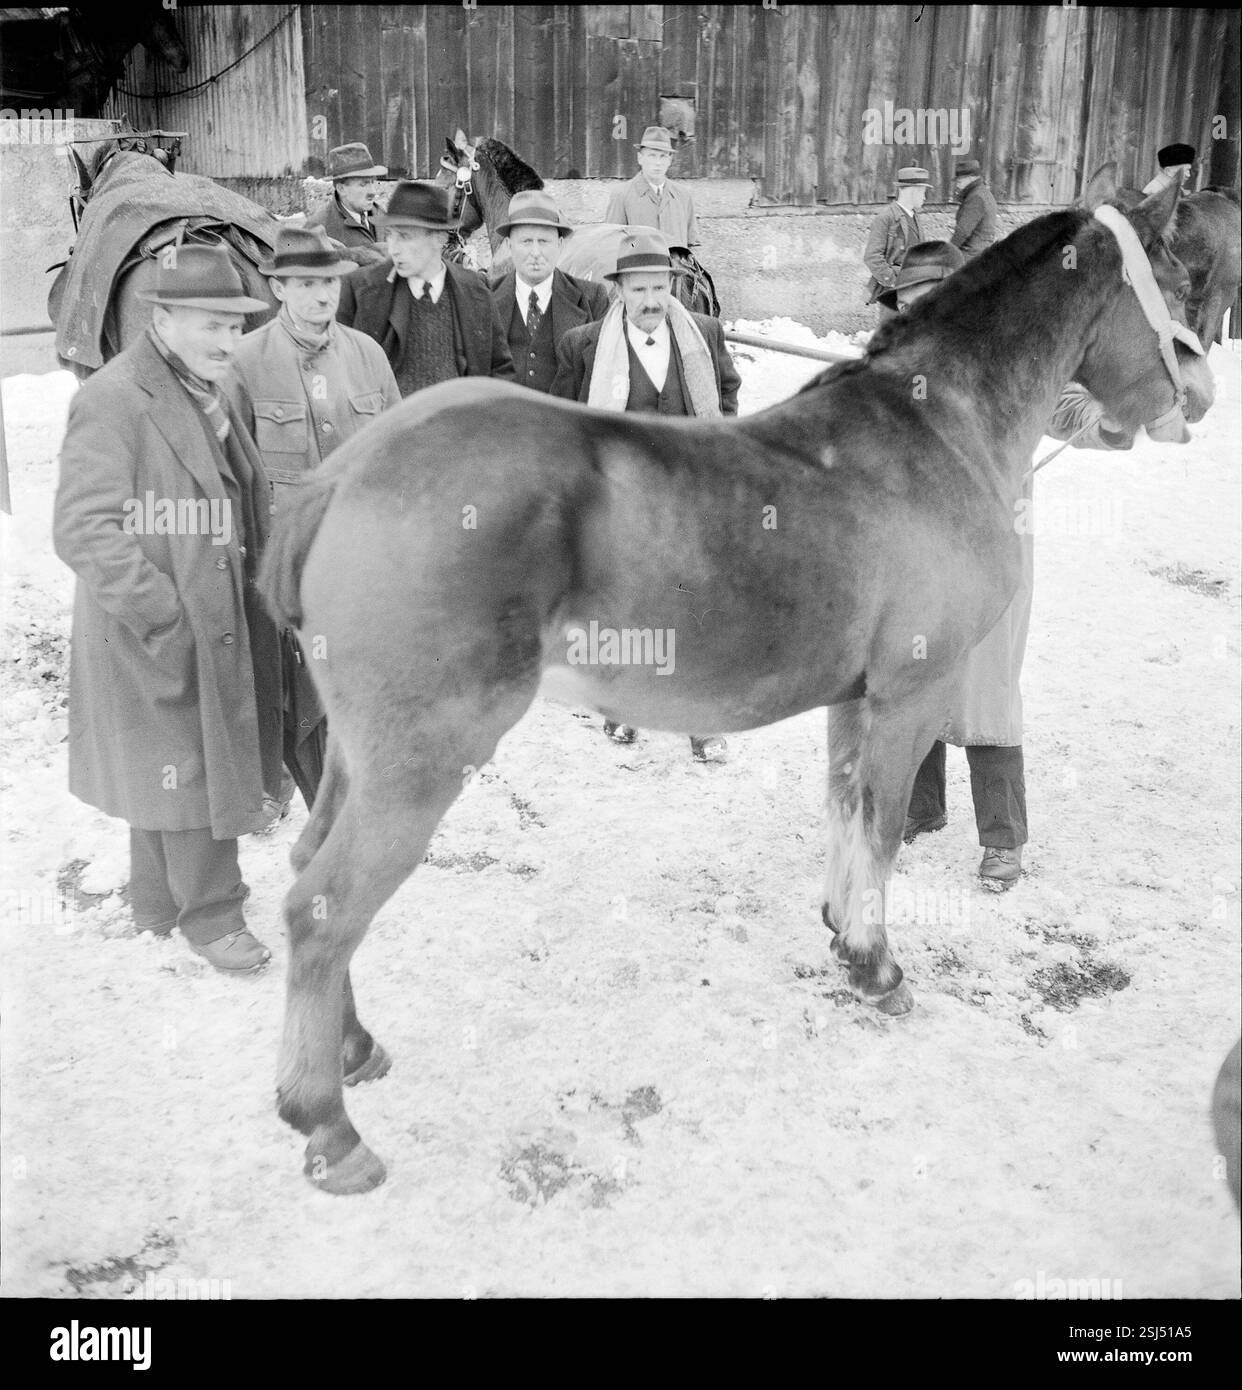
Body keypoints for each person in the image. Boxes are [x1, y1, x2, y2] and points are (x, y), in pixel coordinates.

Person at [52, 245, 283, 974]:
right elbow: (84, 528)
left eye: (235, 326)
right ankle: (214, 915)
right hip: (147, 628)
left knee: (170, 759)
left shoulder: (212, 388)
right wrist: (164, 614)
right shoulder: (114, 398)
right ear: (163, 317)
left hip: (207, 614)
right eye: (211, 324)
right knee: (190, 759)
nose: (227, 341)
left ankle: (155, 897)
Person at [227, 225, 400, 807]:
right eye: (305, 284)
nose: (322, 296)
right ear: (278, 288)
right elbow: (232, 478)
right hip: (288, 574)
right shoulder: (245, 364)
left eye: (328, 282)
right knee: (299, 705)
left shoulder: (367, 355)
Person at [552, 231, 740, 762]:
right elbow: (565, 423)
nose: (652, 301)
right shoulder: (582, 345)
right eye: (639, 291)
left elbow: (725, 399)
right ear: (619, 292)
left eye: (660, 287)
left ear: (672, 287)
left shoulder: (704, 335)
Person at [336, 180, 515, 394]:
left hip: (459, 423)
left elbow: (500, 370)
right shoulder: (361, 290)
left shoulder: (475, 289)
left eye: (405, 237)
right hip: (391, 424)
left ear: (438, 238)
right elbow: (340, 373)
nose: (393, 249)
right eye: (390, 234)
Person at [489, 189, 610, 392]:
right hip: (502, 420)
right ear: (509, 245)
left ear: (560, 245)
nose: (535, 253)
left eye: (544, 242)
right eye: (526, 241)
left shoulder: (592, 299)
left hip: (566, 422)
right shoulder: (485, 298)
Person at [602, 125, 701, 254]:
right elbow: (611, 245)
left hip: (677, 273)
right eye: (652, 155)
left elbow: (692, 244)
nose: (658, 163)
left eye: (663, 156)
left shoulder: (683, 195)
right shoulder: (622, 195)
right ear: (640, 158)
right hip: (638, 272)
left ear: (670, 160)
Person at [863, 166, 931, 320]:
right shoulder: (886, 218)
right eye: (922, 192)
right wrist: (894, 282)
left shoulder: (915, 217)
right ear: (913, 191)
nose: (924, 197)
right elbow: (872, 257)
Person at [305, 141, 387, 260]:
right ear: (341, 189)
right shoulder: (319, 227)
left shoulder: (382, 216)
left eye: (372, 182)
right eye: (363, 185)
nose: (372, 192)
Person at [949, 157, 998, 257]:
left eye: (959, 181)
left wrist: (948, 251)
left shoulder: (975, 197)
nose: (957, 185)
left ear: (971, 178)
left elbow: (962, 231)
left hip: (971, 254)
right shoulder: (984, 193)